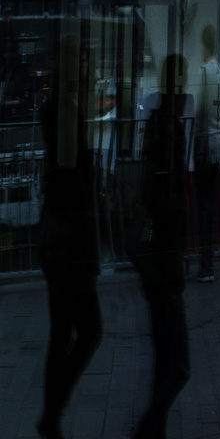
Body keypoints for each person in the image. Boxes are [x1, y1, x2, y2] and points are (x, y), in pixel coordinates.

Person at [37, 36, 102, 439]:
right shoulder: (65, 112)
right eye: (78, 59)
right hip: (69, 241)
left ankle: (51, 416)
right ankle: (53, 410)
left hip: (61, 238)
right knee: (88, 331)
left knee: (63, 331)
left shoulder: (65, 110)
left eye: (85, 59)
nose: (84, 67)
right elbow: (68, 184)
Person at [127, 54, 191, 439]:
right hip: (165, 264)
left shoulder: (157, 123)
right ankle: (149, 427)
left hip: (154, 262)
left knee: (165, 359)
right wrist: (176, 272)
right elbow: (169, 208)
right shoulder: (170, 129)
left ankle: (155, 430)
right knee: (179, 365)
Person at [192, 26, 220, 281]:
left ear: (204, 45)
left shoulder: (204, 72)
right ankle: (210, 263)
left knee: (202, 206)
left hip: (203, 144)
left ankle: (205, 265)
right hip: (218, 144)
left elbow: (200, 109)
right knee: (211, 205)